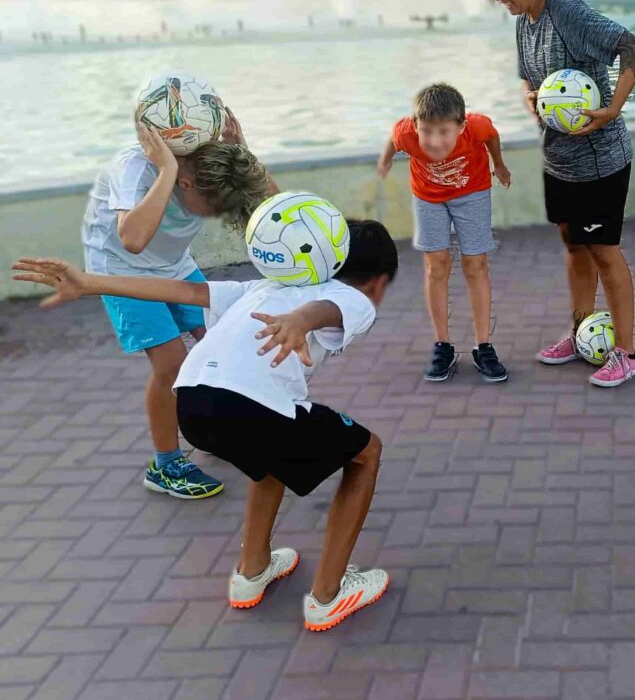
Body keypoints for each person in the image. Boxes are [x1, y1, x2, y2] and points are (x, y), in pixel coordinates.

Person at [13, 219, 397, 632]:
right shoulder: (354, 298)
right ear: (378, 282)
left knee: (269, 454)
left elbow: (182, 291)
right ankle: (328, 597)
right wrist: (302, 320)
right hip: (249, 407)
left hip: (193, 403)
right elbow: (328, 310)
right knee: (365, 453)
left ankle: (252, 571)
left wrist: (90, 283)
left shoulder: (260, 287)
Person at [482, 0, 635, 388]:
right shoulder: (523, 21)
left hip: (600, 160)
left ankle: (626, 353)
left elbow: (633, 49)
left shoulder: (567, 12)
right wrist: (530, 98)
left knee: (603, 251)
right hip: (559, 161)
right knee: (575, 248)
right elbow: (527, 78)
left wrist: (613, 109)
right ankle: (580, 333)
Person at [83, 111, 276, 498]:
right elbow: (132, 239)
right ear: (186, 182)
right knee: (171, 363)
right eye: (212, 204)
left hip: (174, 265)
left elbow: (273, 207)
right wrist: (167, 170)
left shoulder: (209, 166)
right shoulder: (134, 168)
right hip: (121, 269)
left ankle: (214, 431)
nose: (217, 213)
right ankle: (166, 465)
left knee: (219, 341)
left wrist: (242, 150)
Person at [377, 83, 512, 383]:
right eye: (426, 131)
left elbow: (492, 136)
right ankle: (443, 345)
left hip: (472, 193)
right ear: (415, 125)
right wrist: (385, 161)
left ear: (461, 127)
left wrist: (499, 165)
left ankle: (483, 346)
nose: (435, 142)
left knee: (475, 265)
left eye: (444, 132)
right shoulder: (405, 133)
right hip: (428, 198)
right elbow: (393, 140)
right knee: (436, 266)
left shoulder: (477, 126)